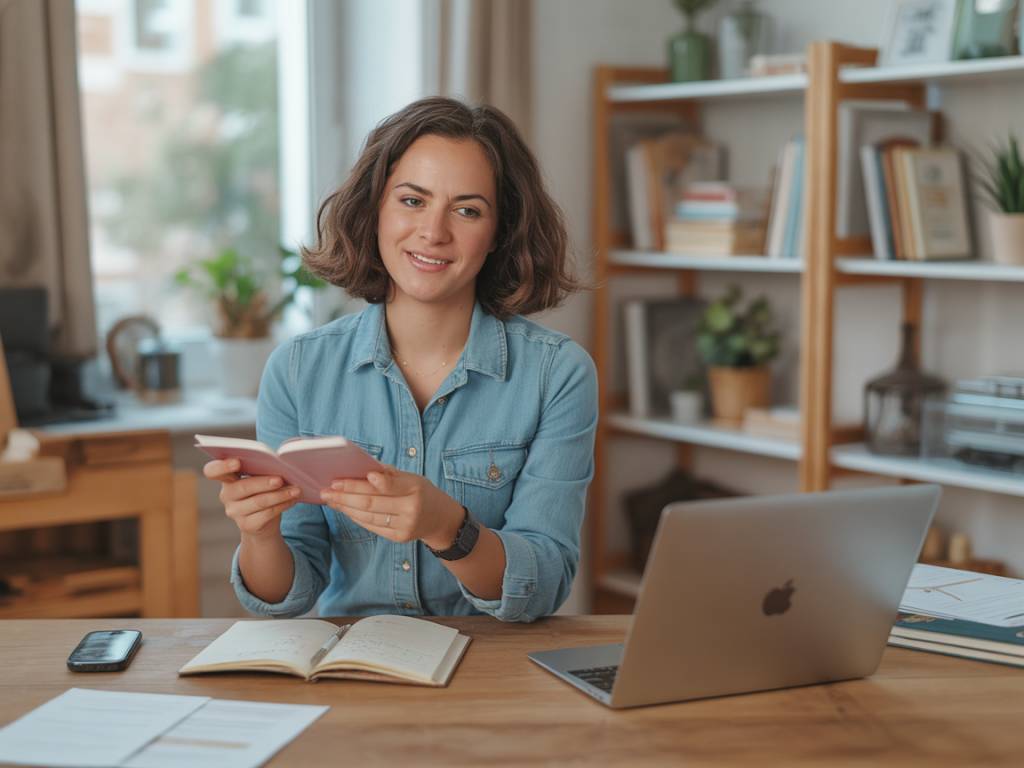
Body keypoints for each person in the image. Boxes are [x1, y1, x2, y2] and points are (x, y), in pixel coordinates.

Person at [203, 97, 597, 622]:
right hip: (353, 669)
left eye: (467, 209)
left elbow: (545, 582)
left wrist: (448, 528)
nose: (434, 232)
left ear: (500, 232)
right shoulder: (297, 370)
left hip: (493, 673)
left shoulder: (558, 376)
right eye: (412, 201)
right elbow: (285, 597)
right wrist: (259, 534)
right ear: (375, 210)